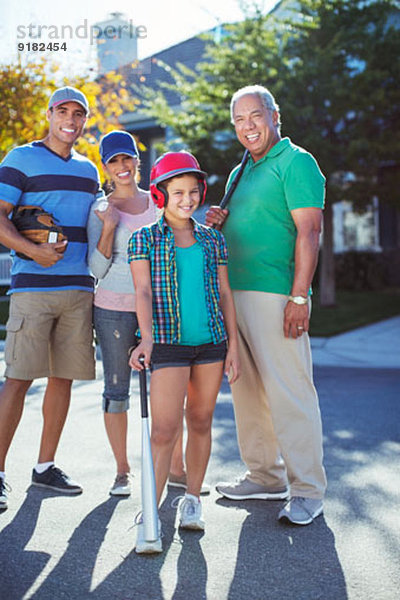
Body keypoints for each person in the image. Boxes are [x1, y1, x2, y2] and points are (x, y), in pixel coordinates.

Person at [206, 84, 327, 526]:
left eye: (254, 115)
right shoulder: (241, 171)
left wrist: (299, 296)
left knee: (290, 392)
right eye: (239, 119)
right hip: (234, 294)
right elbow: (244, 227)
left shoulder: (297, 162)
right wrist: (219, 219)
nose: (247, 126)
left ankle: (308, 490)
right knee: (247, 391)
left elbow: (309, 233)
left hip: (277, 294)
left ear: (275, 115)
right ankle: (264, 475)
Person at [128, 151, 240, 553]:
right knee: (163, 430)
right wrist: (145, 338)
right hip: (168, 343)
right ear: (161, 195)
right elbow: (141, 291)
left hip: (210, 343)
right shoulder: (144, 239)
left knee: (201, 419)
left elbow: (225, 294)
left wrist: (234, 347)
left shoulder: (213, 239)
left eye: (193, 192)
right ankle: (152, 507)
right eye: (178, 192)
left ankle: (193, 500)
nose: (187, 200)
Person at [0, 86, 100, 510]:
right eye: (63, 111)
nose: (71, 120)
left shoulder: (89, 170)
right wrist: (33, 250)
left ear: (84, 121)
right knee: (19, 380)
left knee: (63, 379)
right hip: (33, 290)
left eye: (79, 114)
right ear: (49, 113)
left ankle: (45, 468)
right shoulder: (19, 159)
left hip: (79, 290)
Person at [87, 130, 158, 496]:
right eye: (113, 161)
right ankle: (122, 471)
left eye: (126, 158)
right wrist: (109, 226)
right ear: (106, 167)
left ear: (136, 161)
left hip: (157, 310)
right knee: (117, 391)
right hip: (113, 310)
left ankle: (171, 468)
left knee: (165, 391)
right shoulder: (100, 209)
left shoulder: (157, 203)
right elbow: (96, 269)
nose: (121, 166)